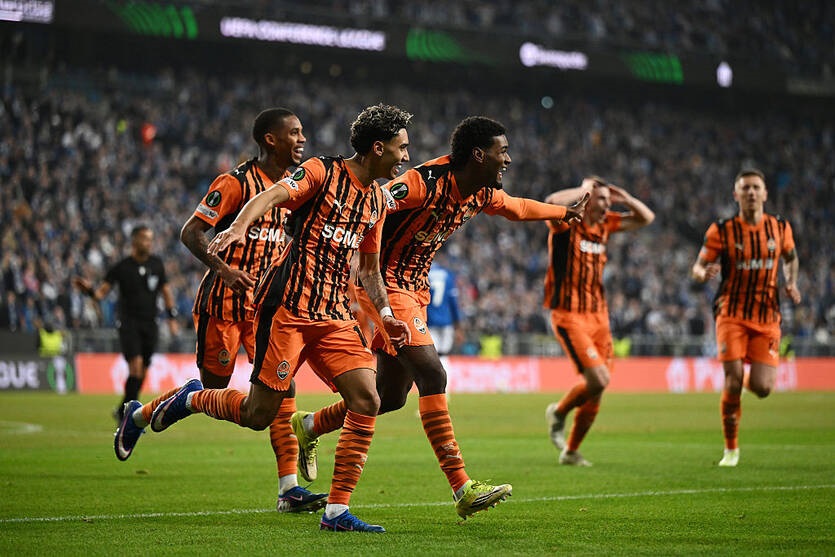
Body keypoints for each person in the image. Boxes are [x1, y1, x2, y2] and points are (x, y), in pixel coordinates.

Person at [117, 103, 413, 533]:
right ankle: (190, 399)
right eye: (402, 148)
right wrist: (237, 229)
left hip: (329, 313)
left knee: (367, 399)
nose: (407, 156)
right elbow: (268, 197)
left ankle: (329, 508)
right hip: (276, 307)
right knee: (255, 412)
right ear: (379, 147)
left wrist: (386, 314)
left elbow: (369, 269)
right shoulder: (316, 173)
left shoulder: (377, 202)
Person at [292, 116, 588, 520]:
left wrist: (562, 213)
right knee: (433, 375)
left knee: (390, 397)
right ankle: (462, 487)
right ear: (478, 155)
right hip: (385, 283)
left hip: (416, 289)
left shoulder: (480, 193)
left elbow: (517, 207)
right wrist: (358, 254)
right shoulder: (423, 182)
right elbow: (374, 200)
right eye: (502, 152)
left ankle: (311, 425)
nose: (508, 159)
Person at [113, 108, 326, 513]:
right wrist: (224, 270)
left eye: (303, 133)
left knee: (282, 389)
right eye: (294, 133)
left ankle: (289, 489)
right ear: (270, 139)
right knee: (211, 389)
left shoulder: (295, 188)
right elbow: (190, 232)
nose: (302, 140)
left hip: (266, 308)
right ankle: (140, 415)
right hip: (224, 305)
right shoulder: (235, 183)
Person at [691, 168, 801, 467]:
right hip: (731, 313)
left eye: (755, 187)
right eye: (745, 188)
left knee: (763, 388)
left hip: (767, 316)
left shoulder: (780, 227)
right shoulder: (722, 230)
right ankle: (731, 450)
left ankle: (744, 377)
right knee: (733, 379)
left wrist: (791, 282)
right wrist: (703, 274)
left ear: (765, 194)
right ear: (736, 194)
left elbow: (791, 258)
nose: (751, 192)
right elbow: (697, 266)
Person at [543, 176, 655, 466]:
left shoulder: (606, 225)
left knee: (598, 388)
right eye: (601, 198)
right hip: (569, 314)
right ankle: (559, 412)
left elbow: (646, 218)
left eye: (607, 198)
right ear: (588, 199)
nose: (606, 203)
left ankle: (571, 451)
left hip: (600, 316)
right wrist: (584, 189)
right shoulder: (567, 223)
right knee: (599, 379)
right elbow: (552, 202)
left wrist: (625, 197)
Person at [73, 225, 179, 420]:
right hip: (129, 323)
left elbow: (166, 292)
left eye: (150, 239)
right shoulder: (122, 267)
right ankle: (129, 416)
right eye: (145, 239)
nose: (148, 243)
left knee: (142, 372)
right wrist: (89, 291)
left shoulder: (156, 264)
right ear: (135, 241)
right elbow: (100, 294)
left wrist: (172, 316)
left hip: (151, 324)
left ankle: (123, 409)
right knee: (135, 367)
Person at [426, 259, 461, 358]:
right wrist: (457, 324)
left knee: (433, 355)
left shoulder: (425, 274)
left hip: (429, 320)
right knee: (444, 354)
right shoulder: (447, 275)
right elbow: (453, 302)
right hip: (446, 320)